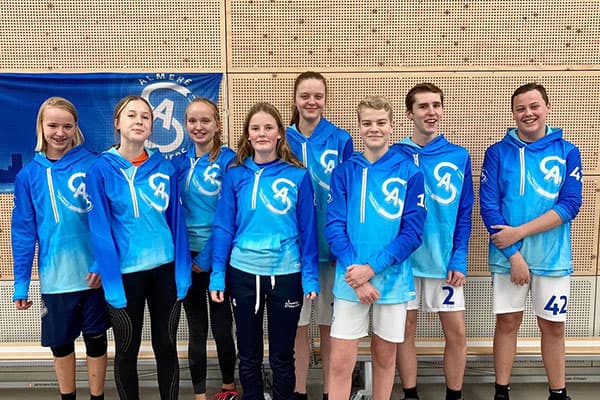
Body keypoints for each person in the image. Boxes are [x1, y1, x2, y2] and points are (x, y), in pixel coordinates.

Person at [209, 102, 319, 400]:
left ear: (280, 134)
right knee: (249, 356)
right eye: (255, 128)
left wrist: (310, 277)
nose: (262, 133)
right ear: (247, 134)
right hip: (243, 273)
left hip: (286, 274)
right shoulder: (235, 175)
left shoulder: (298, 176)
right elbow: (223, 227)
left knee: (283, 357)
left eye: (268, 127)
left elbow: (309, 232)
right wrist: (218, 274)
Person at [479, 83, 582, 400]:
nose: (528, 113)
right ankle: (501, 392)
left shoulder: (567, 151)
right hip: (508, 259)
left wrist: (519, 233)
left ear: (547, 108)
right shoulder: (498, 153)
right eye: (521, 108)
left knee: (553, 327)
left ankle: (558, 393)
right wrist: (513, 254)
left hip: (553, 260)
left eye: (534, 106)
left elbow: (569, 206)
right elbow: (489, 208)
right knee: (507, 323)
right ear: (513, 113)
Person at [86, 95, 192, 400]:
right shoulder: (101, 170)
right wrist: (108, 278)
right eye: (131, 116)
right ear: (117, 123)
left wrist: (182, 271)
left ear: (151, 126)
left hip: (164, 272)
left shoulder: (165, 168)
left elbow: (177, 224)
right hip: (125, 275)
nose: (139, 121)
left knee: (166, 346)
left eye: (145, 117)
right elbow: (100, 228)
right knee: (127, 351)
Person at [326, 96, 427, 400]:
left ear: (392, 126)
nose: (374, 129)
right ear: (358, 127)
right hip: (350, 280)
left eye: (381, 122)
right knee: (341, 362)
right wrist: (357, 273)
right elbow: (334, 226)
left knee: (385, 359)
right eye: (367, 123)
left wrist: (371, 270)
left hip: (392, 281)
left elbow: (412, 233)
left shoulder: (410, 172)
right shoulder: (344, 172)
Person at [12, 96, 110, 400]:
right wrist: (21, 283)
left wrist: (103, 264)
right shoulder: (28, 176)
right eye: (53, 124)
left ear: (76, 128)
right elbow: (24, 232)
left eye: (67, 125)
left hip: (93, 277)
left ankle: (98, 397)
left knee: (96, 341)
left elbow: (110, 221)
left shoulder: (94, 165)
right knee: (61, 344)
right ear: (41, 126)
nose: (60, 132)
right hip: (56, 279)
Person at [393, 83, 473, 400]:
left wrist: (459, 257)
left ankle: (454, 395)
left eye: (436, 105)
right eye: (423, 106)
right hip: (405, 263)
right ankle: (410, 394)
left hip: (444, 262)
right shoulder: (395, 155)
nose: (431, 112)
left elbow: (465, 212)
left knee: (456, 333)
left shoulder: (458, 156)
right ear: (410, 113)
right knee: (405, 332)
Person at [285, 71, 353, 400]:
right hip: (292, 249)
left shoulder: (340, 140)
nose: (312, 102)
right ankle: (298, 392)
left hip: (330, 250)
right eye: (305, 96)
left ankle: (329, 391)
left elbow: (351, 195)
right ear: (295, 100)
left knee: (329, 325)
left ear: (325, 100)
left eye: (318, 96)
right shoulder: (282, 139)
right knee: (297, 325)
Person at [172, 98, 238, 400]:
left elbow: (231, 214)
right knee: (196, 330)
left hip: (220, 259)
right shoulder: (178, 163)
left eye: (205, 121)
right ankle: (199, 394)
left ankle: (227, 388)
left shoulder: (230, 162)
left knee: (223, 327)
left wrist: (209, 258)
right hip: (188, 260)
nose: (199, 127)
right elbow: (172, 214)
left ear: (217, 124)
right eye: (193, 121)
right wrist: (187, 258)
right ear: (186, 124)